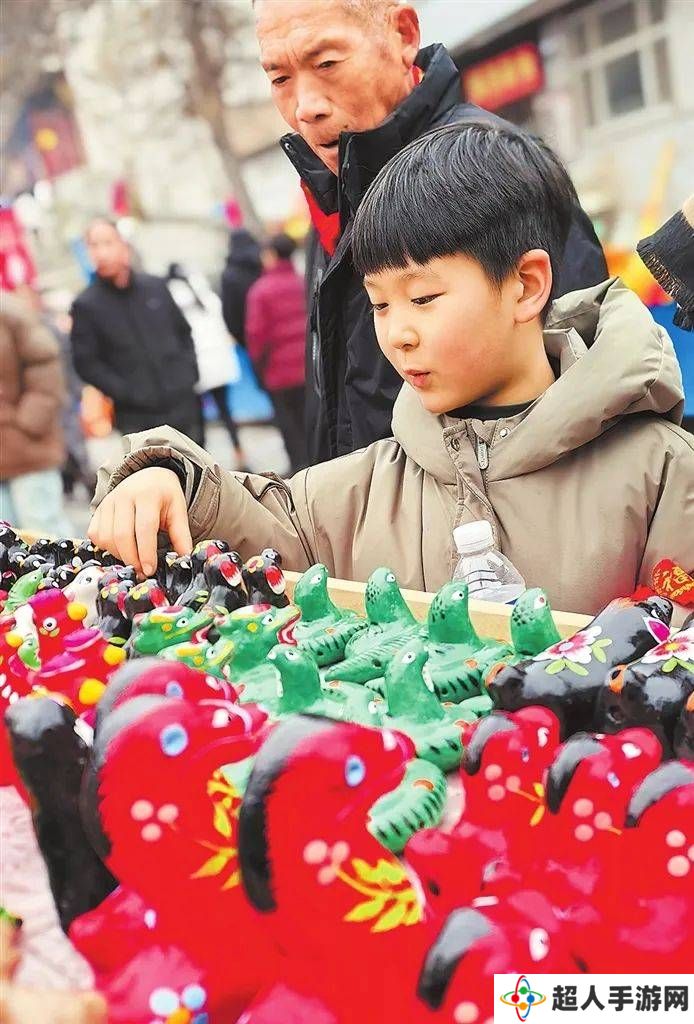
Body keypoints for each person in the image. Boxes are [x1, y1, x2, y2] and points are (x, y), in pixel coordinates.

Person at [87, 122, 693, 617]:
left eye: (423, 299)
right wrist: (166, 477)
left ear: (526, 286)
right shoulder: (368, 488)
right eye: (379, 303)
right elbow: (262, 524)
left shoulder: (661, 474)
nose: (396, 334)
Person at [253, 0, 608, 465]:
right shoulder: (331, 196)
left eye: (327, 64)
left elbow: (587, 399)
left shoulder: (494, 172)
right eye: (280, 78)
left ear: (403, 34)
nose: (305, 108)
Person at [70, 219, 203, 445]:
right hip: (137, 418)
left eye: (107, 243)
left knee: (201, 474)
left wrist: (187, 374)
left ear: (124, 246)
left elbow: (183, 332)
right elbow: (87, 364)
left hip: (183, 404)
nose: (101, 253)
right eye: (93, 246)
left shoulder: (155, 287)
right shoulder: (86, 305)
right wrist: (127, 393)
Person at [0, 289, 74, 535]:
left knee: (44, 533)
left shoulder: (10, 312)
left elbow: (44, 363)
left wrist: (28, 422)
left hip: (27, 449)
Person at [165, 262, 249, 470]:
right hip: (217, 363)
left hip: (196, 367)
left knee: (197, 418)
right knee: (226, 412)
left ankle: (202, 465)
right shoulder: (205, 293)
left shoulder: (173, 298)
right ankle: (239, 454)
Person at [246, 233, 307, 473]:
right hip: (305, 369)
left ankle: (298, 468)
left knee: (288, 425)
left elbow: (256, 336)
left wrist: (258, 368)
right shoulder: (303, 281)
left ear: (271, 255)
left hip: (277, 372)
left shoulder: (260, 291)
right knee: (308, 421)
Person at [220, 228, 263, 345]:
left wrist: (236, 334)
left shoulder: (229, 274)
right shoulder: (262, 266)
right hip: (268, 331)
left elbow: (228, 310)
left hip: (244, 335)